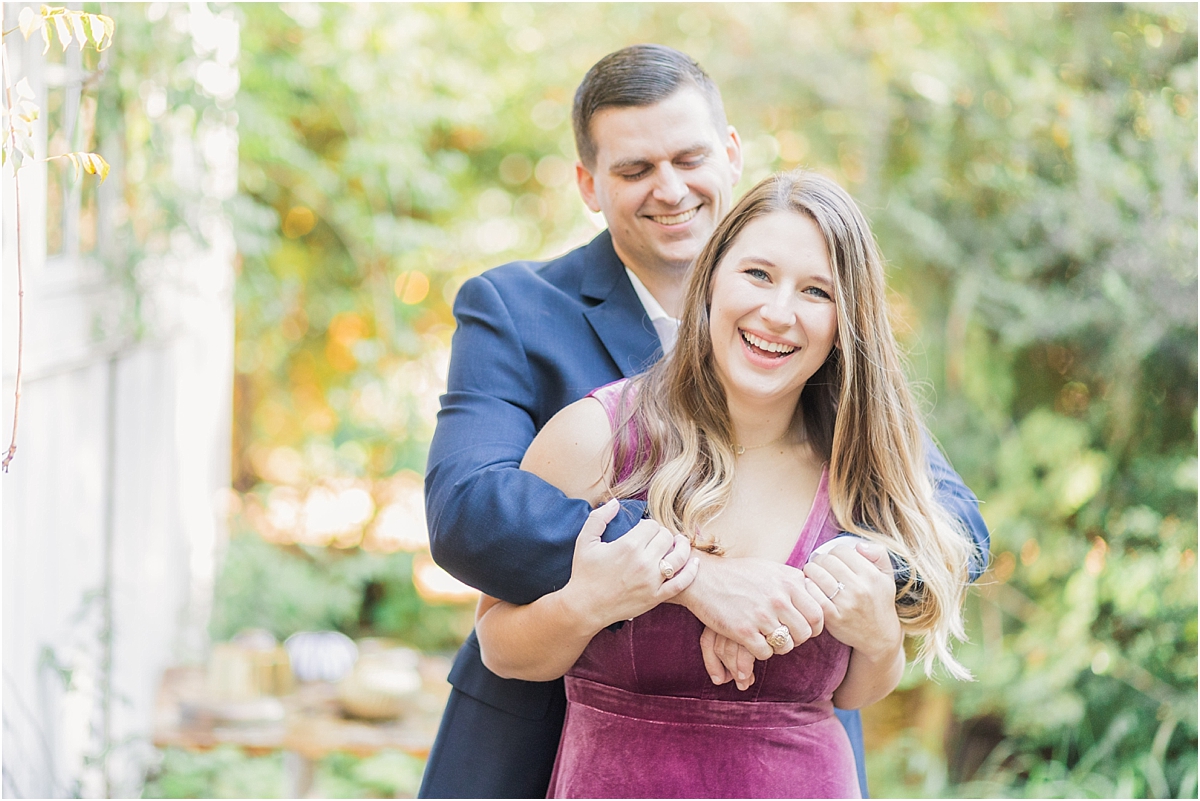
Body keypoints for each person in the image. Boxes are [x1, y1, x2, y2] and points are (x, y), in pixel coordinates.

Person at [419, 44, 989, 799]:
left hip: (781, 747)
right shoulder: (516, 313)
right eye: (635, 169)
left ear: (729, 154)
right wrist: (695, 577)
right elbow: (470, 512)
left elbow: (952, 525)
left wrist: (811, 587)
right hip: (548, 737)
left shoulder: (823, 376)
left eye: (689, 157)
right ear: (589, 184)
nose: (670, 188)